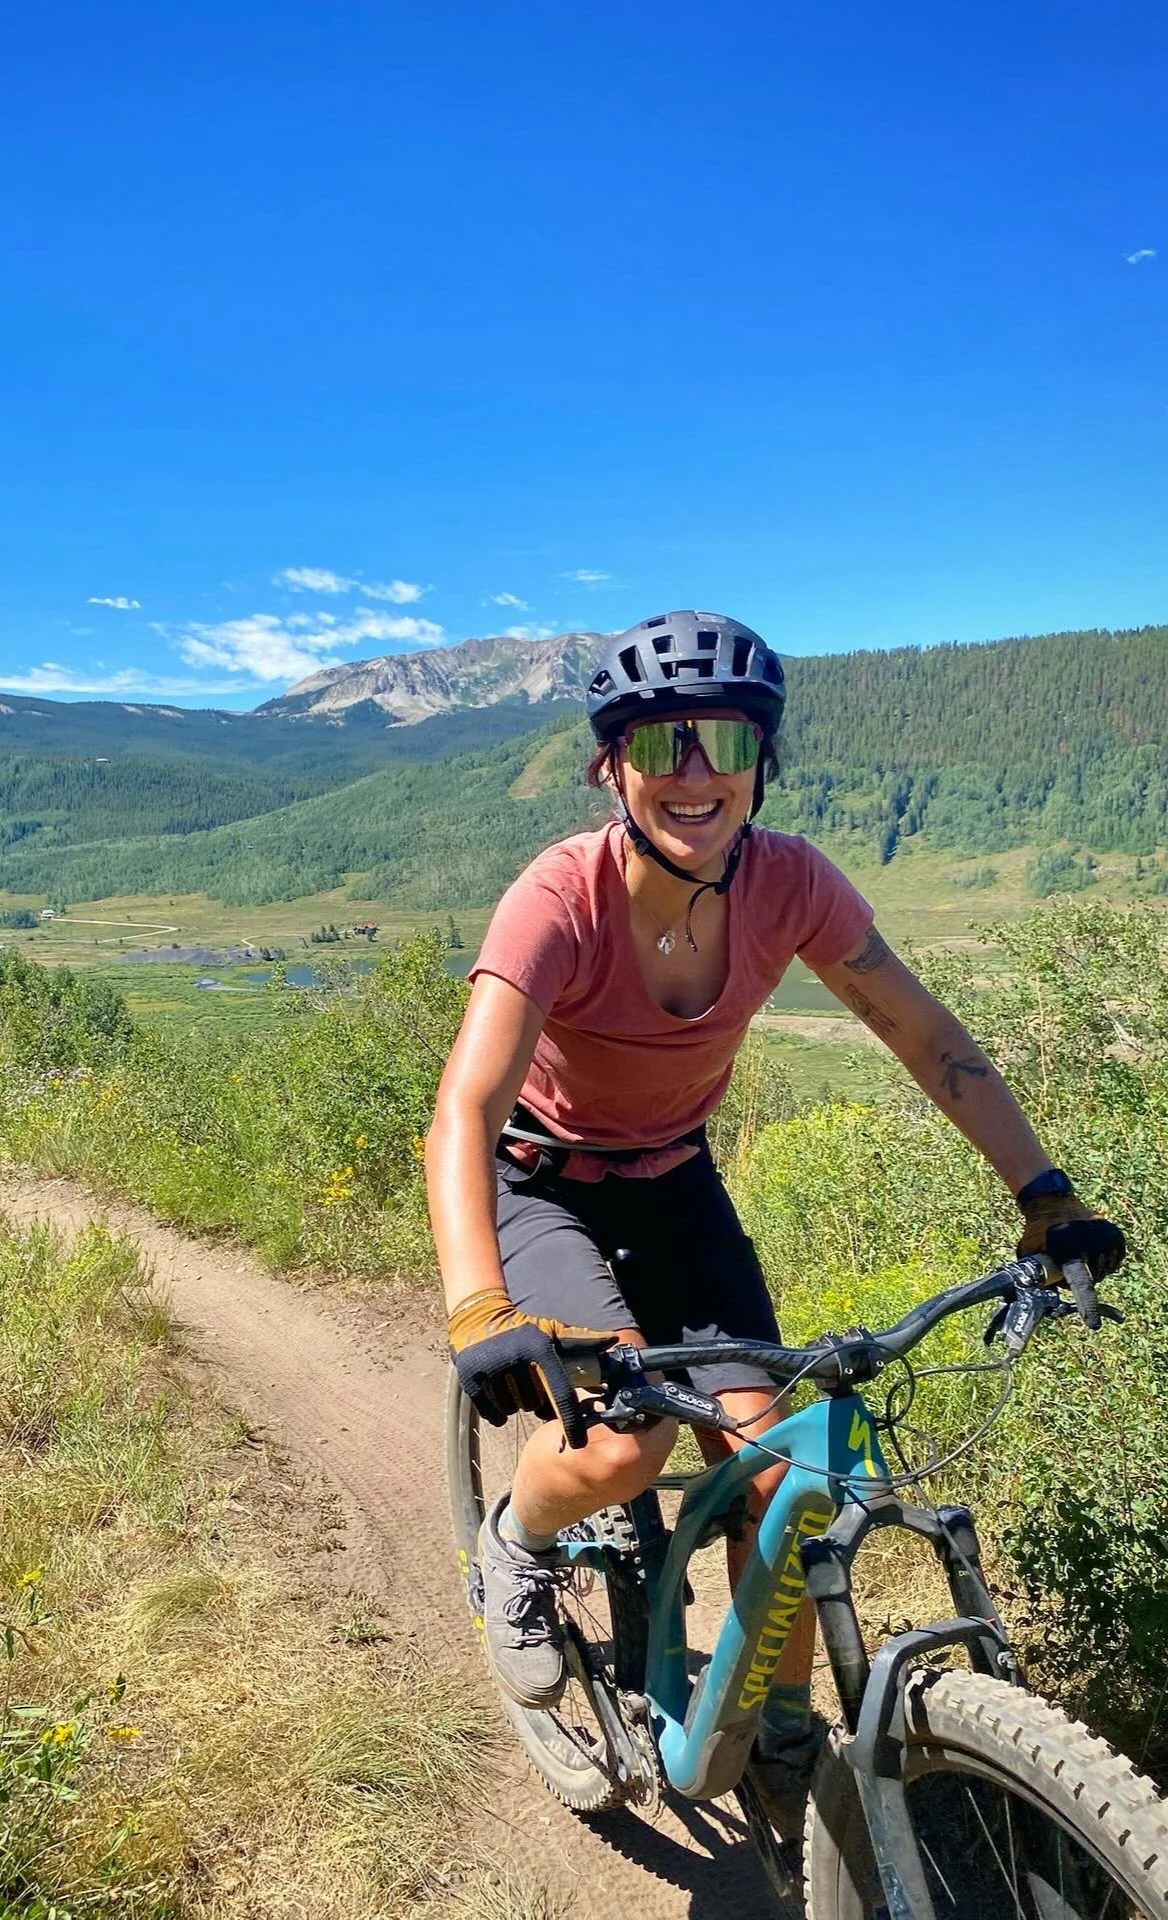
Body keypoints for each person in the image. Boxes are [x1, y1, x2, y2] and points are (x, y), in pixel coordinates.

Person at [424, 609, 1125, 1836]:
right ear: (612, 764)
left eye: (726, 741)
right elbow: (468, 1107)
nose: (696, 773)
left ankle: (781, 1731)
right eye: (664, 741)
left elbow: (926, 1038)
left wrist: (1044, 1195)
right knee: (622, 1448)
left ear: (763, 759)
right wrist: (479, 1303)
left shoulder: (790, 881)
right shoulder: (559, 895)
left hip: (674, 1182)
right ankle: (515, 1544)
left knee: (790, 1473)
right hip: (543, 1184)